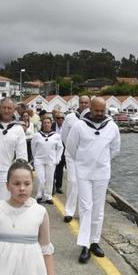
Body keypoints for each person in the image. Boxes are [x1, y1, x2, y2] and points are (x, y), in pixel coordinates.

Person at [65, 97, 121, 263]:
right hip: (84, 173)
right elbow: (71, 147)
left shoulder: (112, 127)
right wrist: (84, 162)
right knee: (85, 207)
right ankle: (84, 245)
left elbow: (115, 149)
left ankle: (94, 241)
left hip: (102, 173)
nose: (99, 113)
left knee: (98, 209)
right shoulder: (79, 126)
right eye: (96, 110)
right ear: (90, 108)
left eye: (102, 111)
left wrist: (101, 162)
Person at [59, 95, 92, 223]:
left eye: (86, 102)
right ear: (79, 103)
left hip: (86, 156)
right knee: (73, 182)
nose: (84, 104)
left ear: (89, 104)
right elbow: (64, 136)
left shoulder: (91, 118)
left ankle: (83, 212)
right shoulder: (70, 118)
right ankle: (69, 211)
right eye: (82, 102)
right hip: (72, 155)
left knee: (85, 183)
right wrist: (70, 148)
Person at [31, 115, 63, 204]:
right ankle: (39, 196)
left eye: (48, 123)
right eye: (44, 123)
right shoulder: (37, 135)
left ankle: (48, 196)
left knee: (49, 179)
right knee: (40, 179)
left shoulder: (56, 136)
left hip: (51, 160)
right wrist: (35, 157)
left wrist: (58, 158)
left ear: (51, 123)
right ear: (42, 124)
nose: (46, 124)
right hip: (39, 161)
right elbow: (33, 147)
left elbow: (60, 148)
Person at [52, 111, 67, 194]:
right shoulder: (51, 126)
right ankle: (51, 186)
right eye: (58, 118)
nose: (60, 119)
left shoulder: (66, 127)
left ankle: (59, 186)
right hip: (52, 150)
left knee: (60, 169)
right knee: (52, 168)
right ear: (55, 119)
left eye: (62, 118)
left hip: (63, 150)